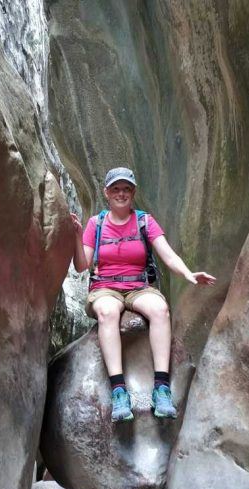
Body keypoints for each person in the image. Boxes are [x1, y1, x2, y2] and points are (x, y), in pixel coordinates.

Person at [71, 167, 216, 422]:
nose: (121, 193)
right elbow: (81, 265)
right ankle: (118, 391)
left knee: (160, 310)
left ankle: (161, 388)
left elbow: (168, 254)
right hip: (105, 287)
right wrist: (74, 235)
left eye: (126, 189)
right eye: (116, 189)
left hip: (138, 286)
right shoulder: (97, 224)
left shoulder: (144, 221)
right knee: (108, 312)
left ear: (133, 192)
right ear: (107, 193)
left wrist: (188, 274)